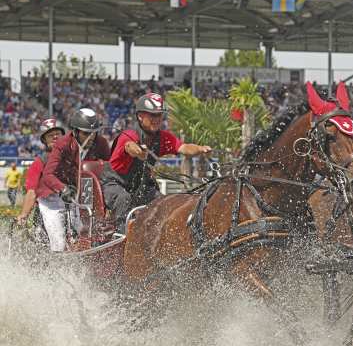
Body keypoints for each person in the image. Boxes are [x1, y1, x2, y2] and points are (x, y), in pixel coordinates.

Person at [100, 93, 211, 233]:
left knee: (161, 201)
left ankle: (158, 237)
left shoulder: (163, 138)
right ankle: (122, 237)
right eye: (152, 115)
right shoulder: (129, 134)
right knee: (124, 198)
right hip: (114, 184)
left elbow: (183, 147)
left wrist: (201, 149)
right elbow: (129, 146)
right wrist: (139, 152)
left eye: (159, 115)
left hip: (139, 186)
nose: (157, 119)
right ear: (140, 116)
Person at [36, 108, 110, 252]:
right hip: (53, 195)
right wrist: (63, 188)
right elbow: (48, 175)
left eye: (94, 133)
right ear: (75, 131)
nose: (91, 138)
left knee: (84, 231)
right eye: (86, 133)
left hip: (76, 194)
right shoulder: (63, 144)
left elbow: (108, 169)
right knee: (59, 241)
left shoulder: (101, 143)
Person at [16, 119, 65, 226]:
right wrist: (24, 214)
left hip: (71, 209)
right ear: (44, 140)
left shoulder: (73, 158)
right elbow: (31, 192)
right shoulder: (38, 163)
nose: (55, 137)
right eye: (51, 135)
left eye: (58, 134)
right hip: (46, 214)